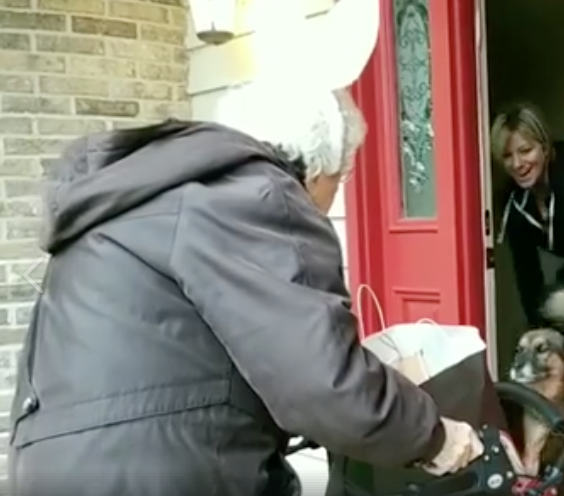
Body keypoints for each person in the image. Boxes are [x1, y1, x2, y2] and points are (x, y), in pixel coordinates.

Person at [8, 1, 484, 495]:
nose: (332, 198)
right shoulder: (259, 195)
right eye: (341, 179)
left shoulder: (165, 192)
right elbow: (323, 383)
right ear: (316, 169)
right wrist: (434, 436)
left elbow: (204, 350)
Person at [492, 103, 564, 328]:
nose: (517, 164)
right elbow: (527, 277)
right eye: (508, 156)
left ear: (545, 148)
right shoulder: (514, 205)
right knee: (549, 310)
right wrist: (539, 332)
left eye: (525, 150)